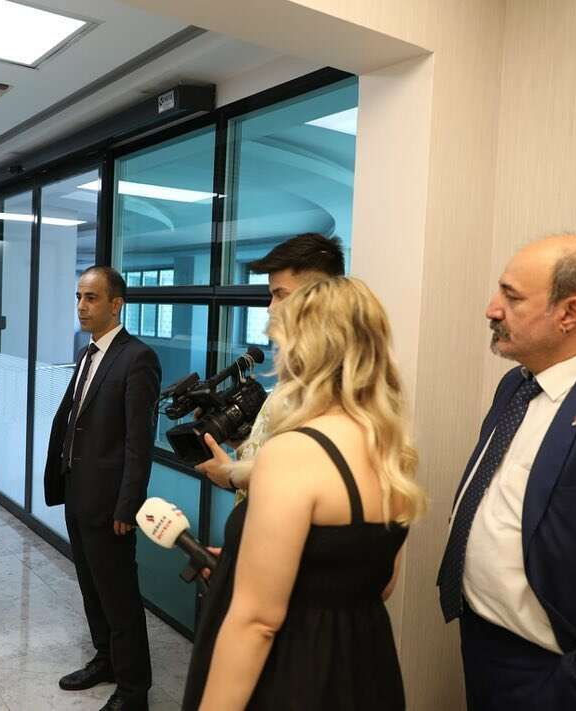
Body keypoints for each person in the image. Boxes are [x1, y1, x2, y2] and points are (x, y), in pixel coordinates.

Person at [183, 276, 425, 710]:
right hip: (365, 669)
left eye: (280, 344)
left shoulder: (293, 452)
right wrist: (244, 562)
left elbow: (256, 623)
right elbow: (377, 582)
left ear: (303, 351)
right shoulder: (392, 452)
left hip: (296, 673)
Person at [437, 235, 576, 710]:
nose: (492, 309)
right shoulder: (516, 386)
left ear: (570, 313)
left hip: (558, 675)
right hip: (484, 645)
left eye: (512, 297)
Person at [43, 266, 161, 711]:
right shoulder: (87, 353)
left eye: (91, 298)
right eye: (79, 297)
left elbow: (138, 443)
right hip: (78, 491)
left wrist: (128, 506)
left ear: (116, 304)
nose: (81, 306)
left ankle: (134, 690)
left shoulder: (137, 358)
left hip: (110, 502)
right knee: (91, 588)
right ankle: (106, 659)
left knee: (119, 596)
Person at [194, 234, 345, 497]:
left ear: (318, 298)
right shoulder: (296, 377)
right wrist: (239, 439)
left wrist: (232, 476)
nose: (271, 308)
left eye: (280, 294)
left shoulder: (332, 388)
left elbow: (307, 485)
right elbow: (279, 458)